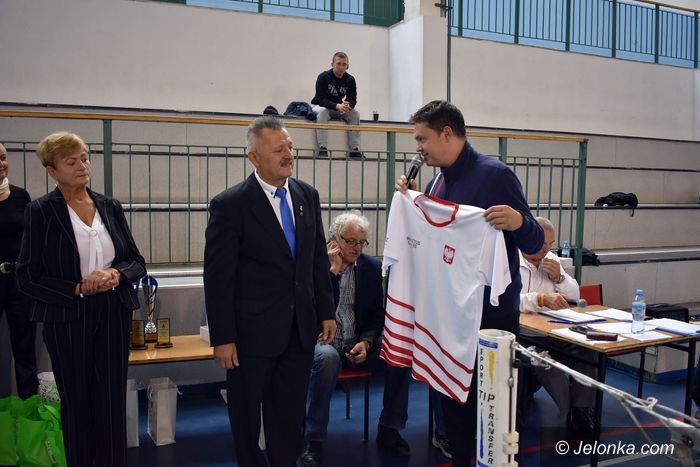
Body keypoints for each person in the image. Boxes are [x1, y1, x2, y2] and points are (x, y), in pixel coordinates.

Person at [395, 100, 544, 467]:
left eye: (422, 139)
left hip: (490, 318)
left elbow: (536, 244)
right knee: (456, 411)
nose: (418, 148)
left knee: (495, 412)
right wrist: (413, 202)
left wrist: (518, 222)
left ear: (446, 133)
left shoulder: (495, 176)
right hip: (450, 315)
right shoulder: (437, 181)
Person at [204, 116, 337, 467]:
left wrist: (326, 311)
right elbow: (218, 278)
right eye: (279, 150)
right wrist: (223, 337)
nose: (288, 154)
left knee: (289, 416)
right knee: (247, 418)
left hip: (298, 331)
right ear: (254, 157)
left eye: (290, 146)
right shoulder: (230, 204)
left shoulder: (307, 195)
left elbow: (316, 260)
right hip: (250, 336)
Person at [16, 132, 146, 466]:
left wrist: (116, 274)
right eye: (71, 162)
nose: (82, 166)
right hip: (68, 316)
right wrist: (76, 288)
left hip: (113, 311)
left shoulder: (109, 206)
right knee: (77, 404)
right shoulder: (40, 211)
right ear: (52, 170)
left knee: (111, 401)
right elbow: (27, 277)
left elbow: (136, 261)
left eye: (85, 158)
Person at [301, 212, 384, 465]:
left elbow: (376, 315)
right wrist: (333, 272)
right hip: (323, 343)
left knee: (399, 353)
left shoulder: (371, 268)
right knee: (327, 359)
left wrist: (366, 342)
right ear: (334, 240)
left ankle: (391, 428)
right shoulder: (314, 265)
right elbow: (310, 311)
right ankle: (314, 440)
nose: (357, 248)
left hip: (356, 341)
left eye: (361, 242)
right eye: (350, 241)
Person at [519, 216, 597, 435]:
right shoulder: (510, 260)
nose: (547, 249)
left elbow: (575, 294)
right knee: (542, 361)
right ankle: (568, 405)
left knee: (588, 350)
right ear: (528, 238)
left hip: (554, 331)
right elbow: (508, 300)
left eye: (551, 244)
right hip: (522, 334)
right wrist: (541, 299)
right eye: (542, 243)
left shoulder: (551, 259)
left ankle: (581, 412)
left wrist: (560, 278)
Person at [0, 143, 38, 400]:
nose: (1, 164)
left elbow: (31, 239)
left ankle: (29, 408)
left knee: (25, 350)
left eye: (3, 158)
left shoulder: (21, 196)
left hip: (18, 282)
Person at [311, 51, 363, 160]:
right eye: (338, 64)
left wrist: (347, 105)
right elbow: (319, 99)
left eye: (344, 64)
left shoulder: (350, 79)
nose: (341, 67)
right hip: (320, 106)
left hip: (338, 107)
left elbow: (353, 99)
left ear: (347, 66)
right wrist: (337, 106)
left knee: (355, 114)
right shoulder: (323, 77)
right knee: (323, 112)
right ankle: (322, 148)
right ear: (332, 64)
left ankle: (354, 149)